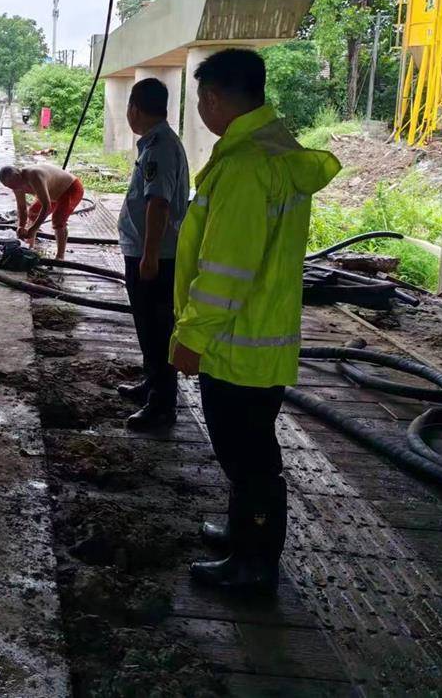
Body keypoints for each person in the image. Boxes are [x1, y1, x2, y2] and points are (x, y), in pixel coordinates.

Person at [169, 48, 339, 594]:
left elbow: (225, 269)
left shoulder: (244, 166)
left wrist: (191, 335)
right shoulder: (274, 149)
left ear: (215, 98)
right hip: (260, 335)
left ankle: (254, 563)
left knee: (249, 460)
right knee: (252, 452)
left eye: (200, 99)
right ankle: (244, 535)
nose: (201, 109)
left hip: (234, 341)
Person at [116, 77, 189, 431]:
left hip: (155, 258)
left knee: (156, 329)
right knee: (148, 328)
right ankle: (152, 386)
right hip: (152, 253)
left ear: (135, 109)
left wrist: (149, 257)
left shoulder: (158, 147)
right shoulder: (157, 143)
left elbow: (157, 204)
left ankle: (162, 406)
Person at [0, 162, 85, 260]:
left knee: (58, 220)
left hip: (70, 188)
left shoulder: (34, 176)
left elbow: (46, 206)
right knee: (33, 213)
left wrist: (33, 228)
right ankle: (29, 248)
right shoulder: (15, 183)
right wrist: (21, 226)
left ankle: (60, 256)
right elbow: (22, 208)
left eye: (14, 185)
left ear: (18, 176)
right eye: (10, 187)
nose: (15, 189)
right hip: (52, 194)